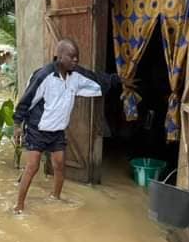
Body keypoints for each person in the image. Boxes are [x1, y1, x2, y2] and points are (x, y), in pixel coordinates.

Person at [12, 39, 126, 213]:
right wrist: (17, 124)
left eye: (77, 57)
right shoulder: (44, 76)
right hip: (38, 129)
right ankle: (18, 206)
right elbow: (27, 99)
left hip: (57, 131)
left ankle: (55, 197)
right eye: (72, 57)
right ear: (59, 56)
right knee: (32, 167)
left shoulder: (76, 76)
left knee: (59, 164)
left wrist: (119, 80)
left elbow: (96, 80)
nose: (76, 60)